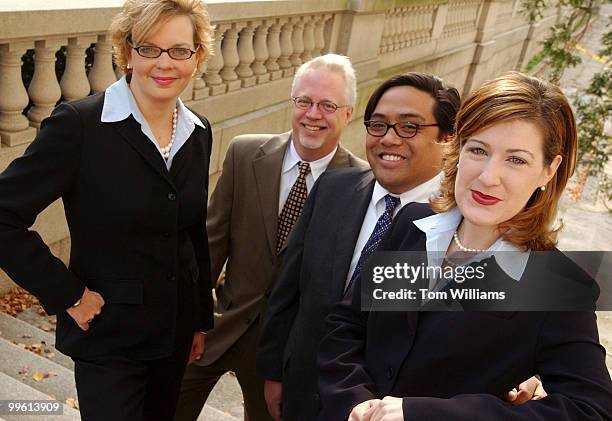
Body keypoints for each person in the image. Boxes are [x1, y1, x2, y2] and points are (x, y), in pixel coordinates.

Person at [317, 72, 612, 420]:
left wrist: (422, 414)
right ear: (458, 149)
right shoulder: (412, 224)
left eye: (516, 159)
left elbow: (590, 409)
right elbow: (347, 325)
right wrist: (354, 400)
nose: (488, 176)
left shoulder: (556, 284)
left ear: (549, 170)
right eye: (478, 149)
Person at [0, 1, 214, 420]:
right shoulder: (79, 126)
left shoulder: (198, 131)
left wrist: (199, 319)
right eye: (149, 48)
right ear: (127, 52)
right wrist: (69, 295)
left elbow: (192, 233)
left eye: (179, 50)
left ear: (197, 56)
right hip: (108, 340)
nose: (164, 63)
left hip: (174, 335)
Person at [174, 54, 367, 421]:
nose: (314, 114)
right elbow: (210, 246)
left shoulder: (360, 186)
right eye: (304, 101)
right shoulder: (245, 154)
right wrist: (190, 320)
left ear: (348, 113)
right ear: (291, 102)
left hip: (285, 356)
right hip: (217, 327)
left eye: (328, 105)